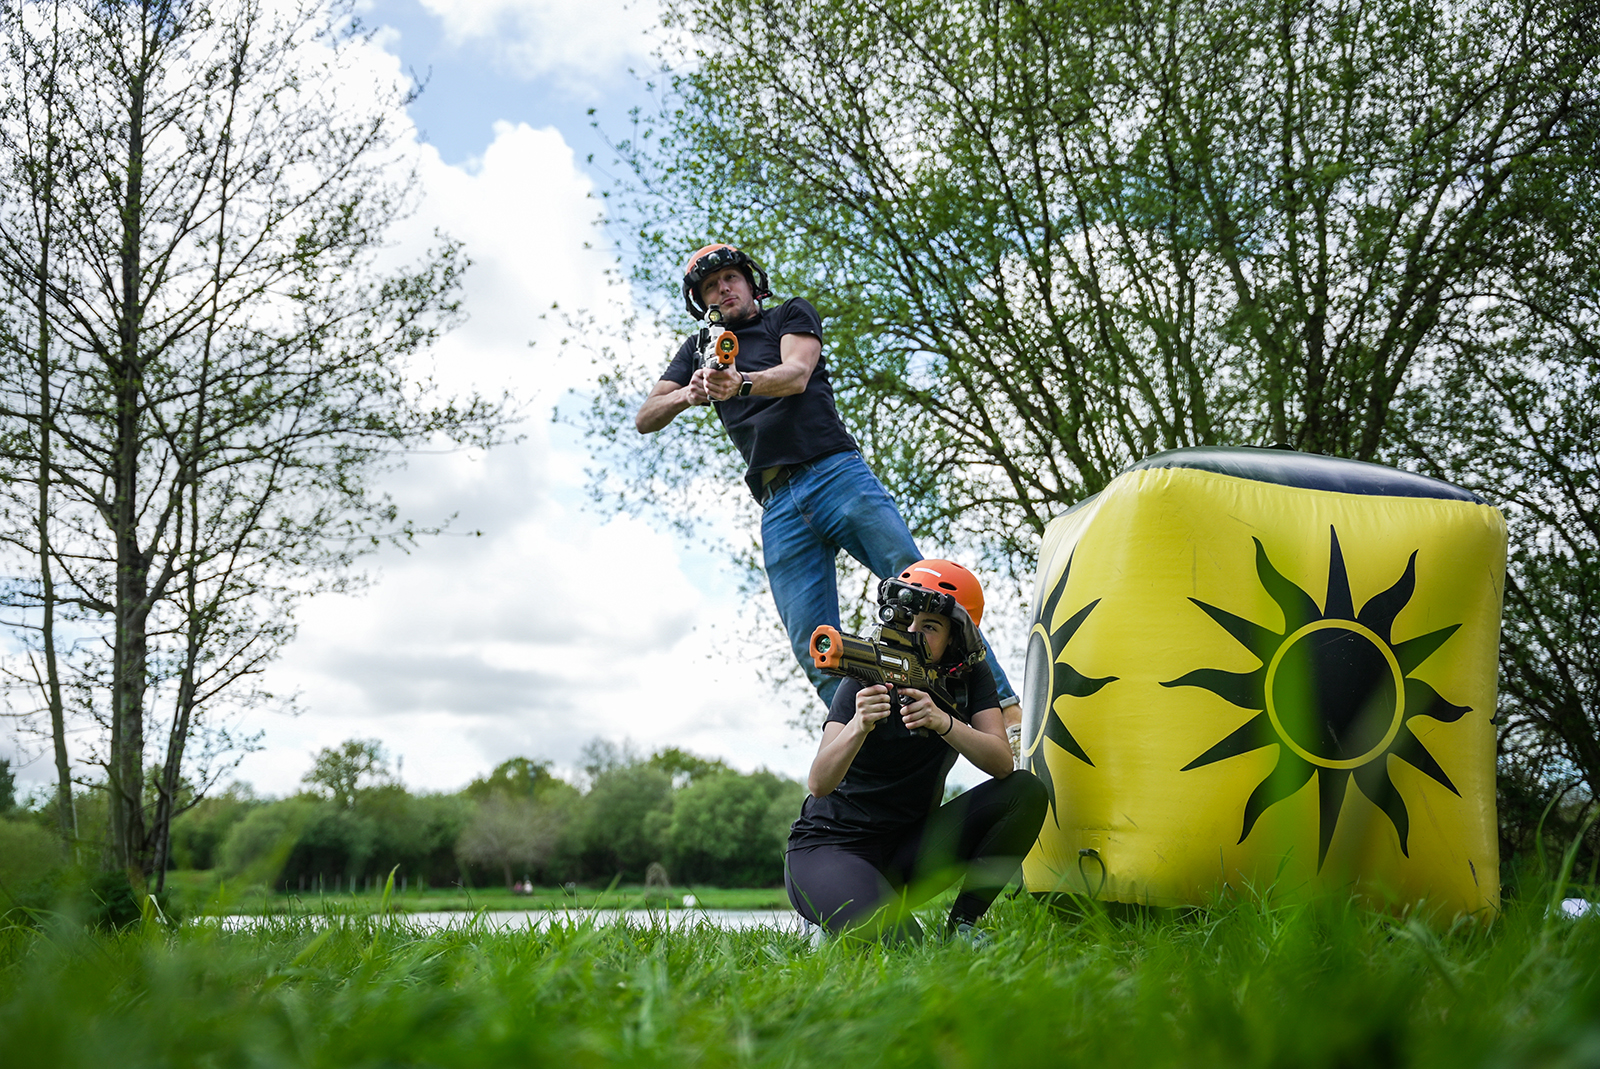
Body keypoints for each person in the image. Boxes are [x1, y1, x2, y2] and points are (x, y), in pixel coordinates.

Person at [634, 242, 1019, 713]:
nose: (724, 289)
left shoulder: (788, 315)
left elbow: (796, 373)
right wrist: (687, 394)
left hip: (833, 472)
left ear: (751, 282)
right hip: (776, 503)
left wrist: (741, 383)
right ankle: (870, 742)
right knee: (814, 643)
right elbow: (646, 416)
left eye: (730, 278)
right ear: (702, 301)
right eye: (711, 286)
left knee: (921, 590)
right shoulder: (697, 350)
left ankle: (1004, 710)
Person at [785, 559, 1047, 943]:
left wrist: (944, 722)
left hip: (906, 852)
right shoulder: (865, 669)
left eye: (930, 626)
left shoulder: (971, 677)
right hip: (831, 845)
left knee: (1025, 791)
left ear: (958, 637)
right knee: (905, 944)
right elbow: (819, 783)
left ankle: (963, 928)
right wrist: (859, 725)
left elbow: (1001, 764)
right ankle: (825, 917)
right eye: (907, 618)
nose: (912, 631)